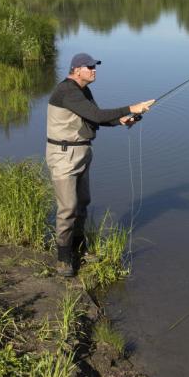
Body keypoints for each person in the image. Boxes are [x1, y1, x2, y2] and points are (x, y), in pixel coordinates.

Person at [46, 52, 154, 277]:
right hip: (63, 155)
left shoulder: (83, 90)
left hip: (82, 152)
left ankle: (80, 248)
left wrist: (121, 121)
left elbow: (94, 118)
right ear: (77, 70)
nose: (94, 71)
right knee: (68, 208)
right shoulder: (66, 91)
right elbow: (96, 114)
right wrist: (131, 107)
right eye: (90, 67)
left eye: (94, 67)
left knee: (82, 203)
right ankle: (63, 258)